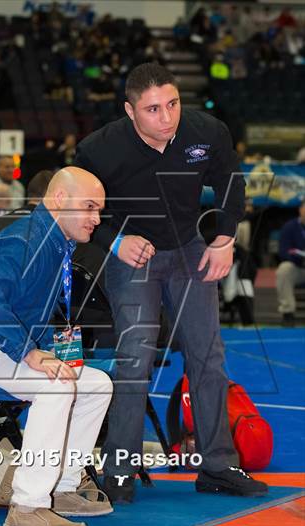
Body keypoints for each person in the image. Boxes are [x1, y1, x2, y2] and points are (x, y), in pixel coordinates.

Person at [74, 62, 268, 502]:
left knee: (208, 358)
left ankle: (217, 466)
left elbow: (231, 186)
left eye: (173, 104)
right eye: (153, 109)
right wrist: (114, 240)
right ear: (130, 111)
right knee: (134, 360)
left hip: (187, 248)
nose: (167, 118)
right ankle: (118, 472)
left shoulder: (207, 132)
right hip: (133, 255)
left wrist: (222, 239)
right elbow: (79, 206)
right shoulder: (99, 150)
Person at [0, 167, 113, 526]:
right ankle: (28, 505)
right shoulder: (21, 240)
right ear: (60, 199)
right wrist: (30, 353)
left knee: (96, 383)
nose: (97, 218)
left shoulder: (52, 244)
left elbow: (24, 316)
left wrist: (47, 350)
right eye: (90, 207)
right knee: (56, 386)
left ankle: (62, 488)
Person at [276, 199, 305, 326]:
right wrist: (297, 257)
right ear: (300, 210)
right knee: (284, 269)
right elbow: (283, 252)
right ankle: (288, 312)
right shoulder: (290, 227)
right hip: (298, 267)